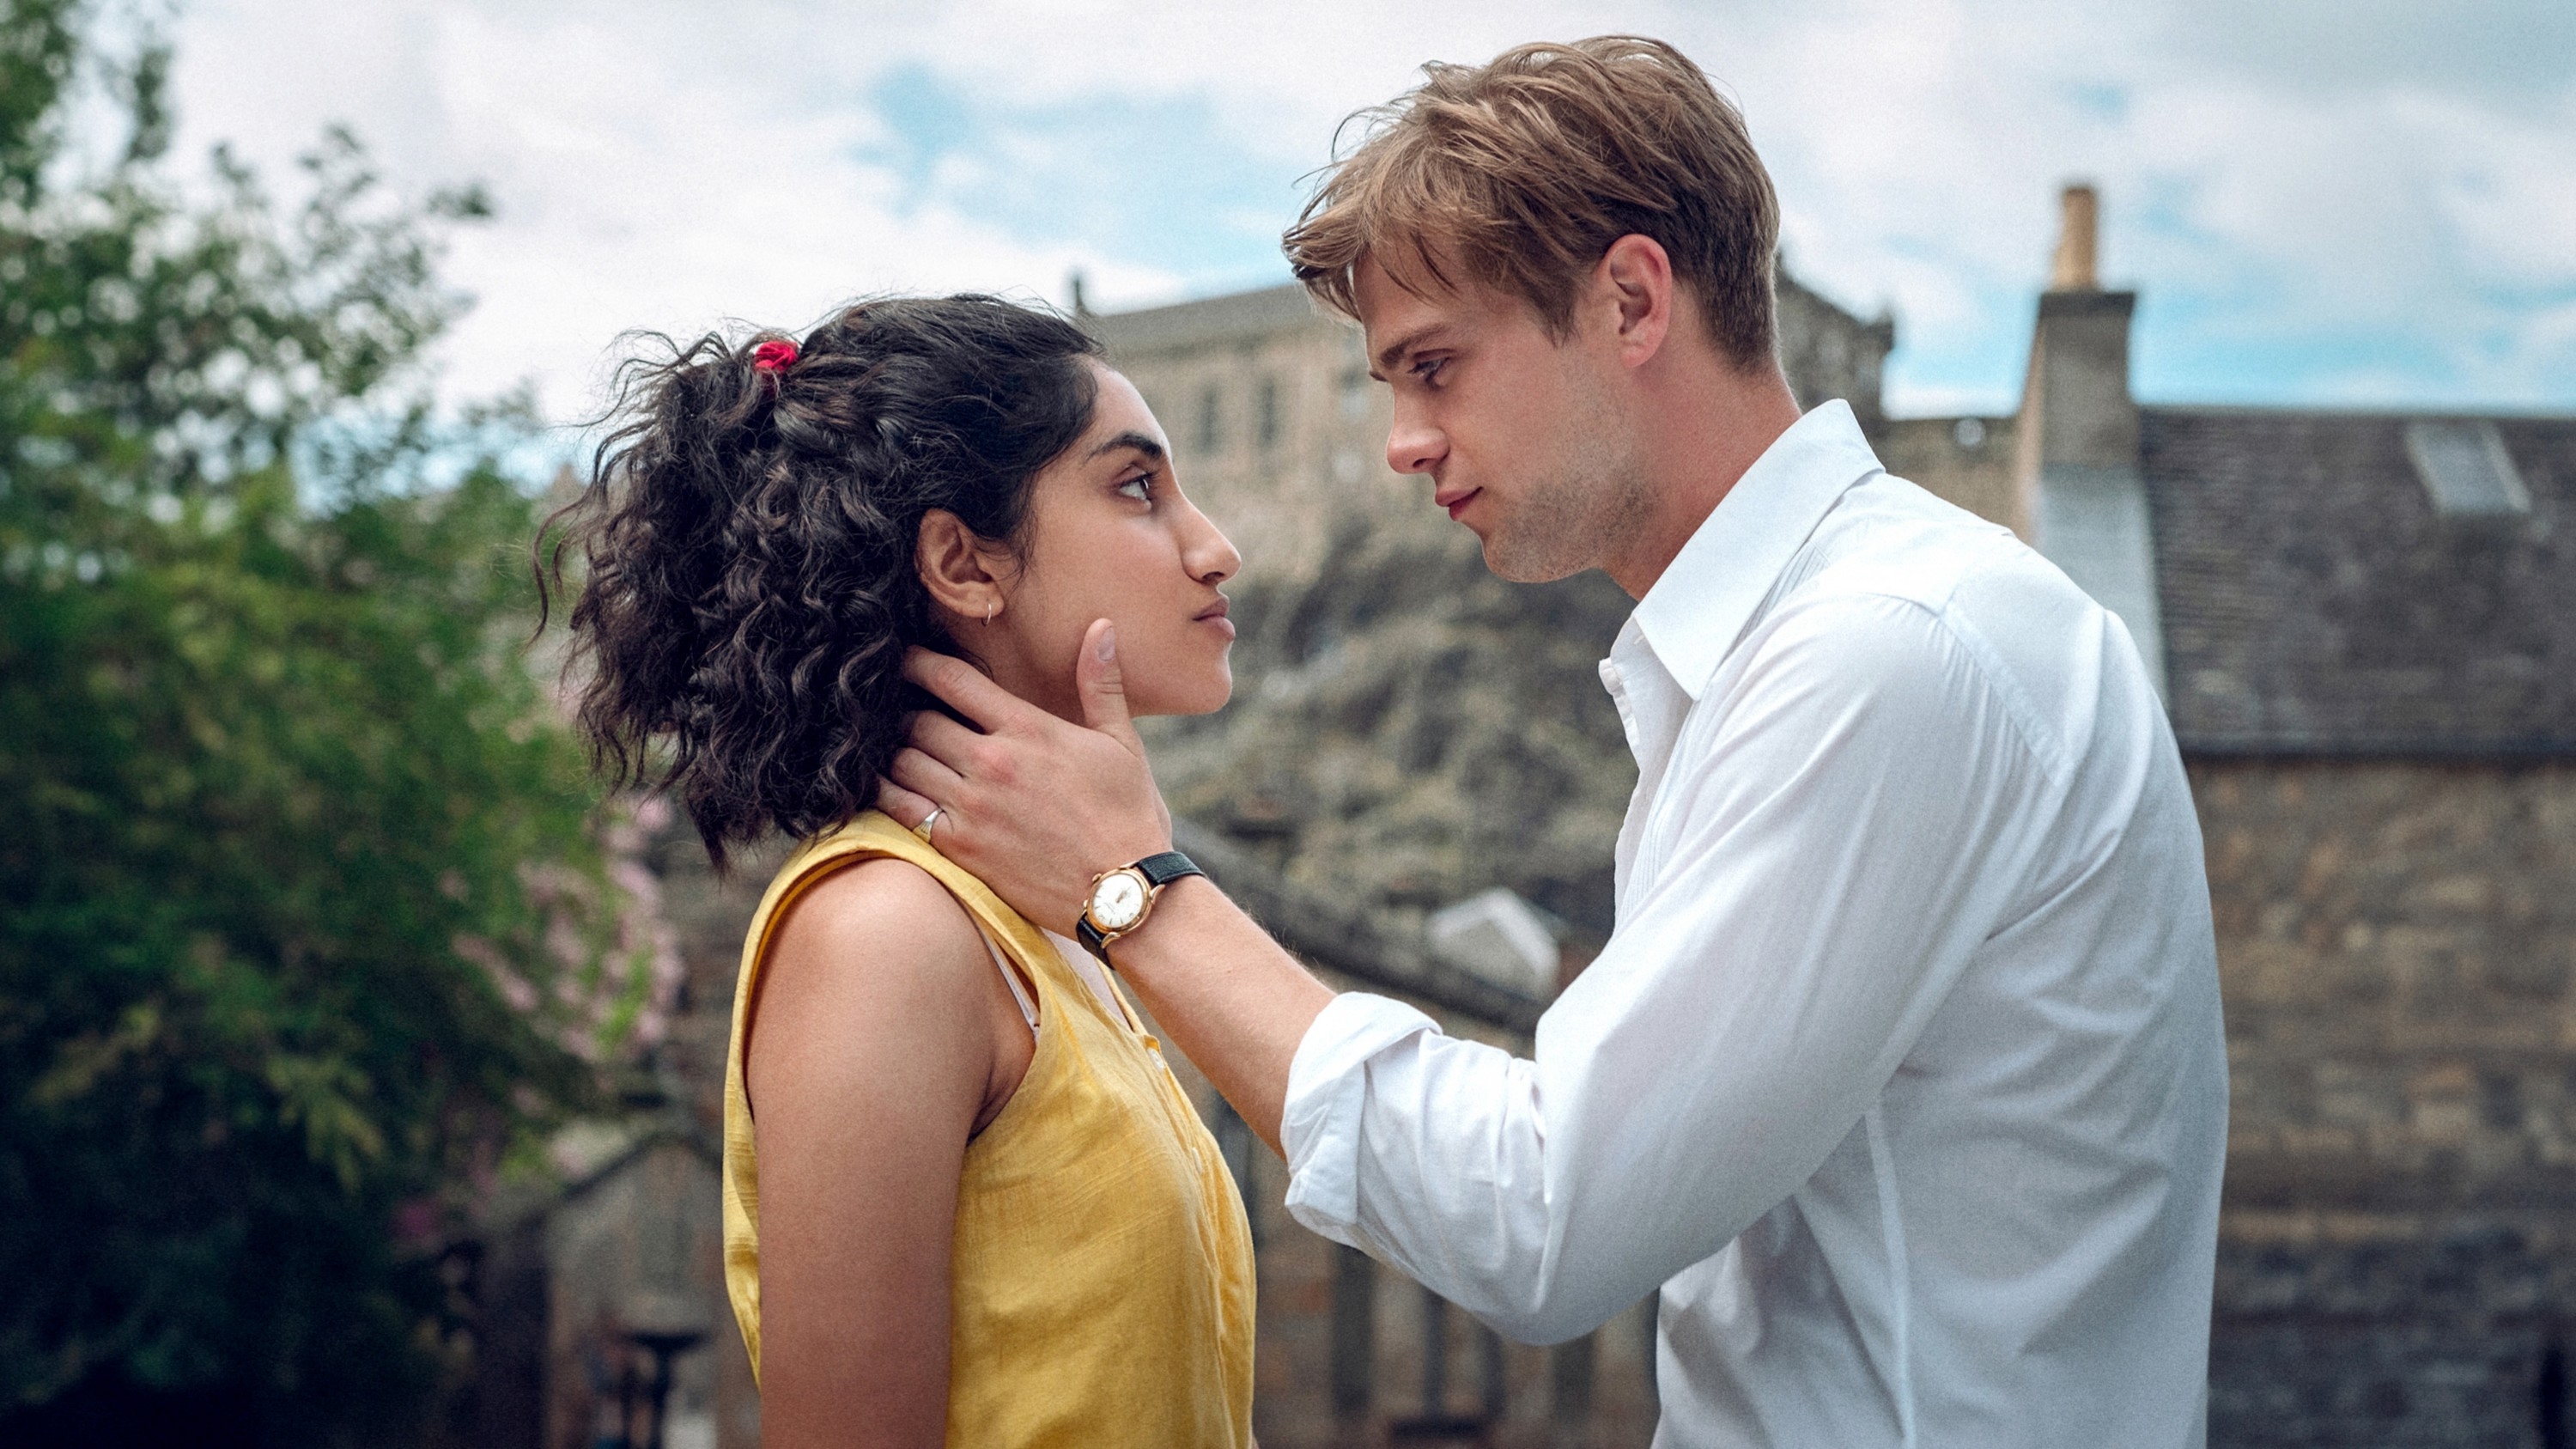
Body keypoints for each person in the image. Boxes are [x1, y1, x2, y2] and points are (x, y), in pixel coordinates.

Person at [877, 38, 2229, 1448]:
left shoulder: (1887, 656)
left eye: (1436, 368)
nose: (1402, 440)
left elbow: (1546, 1219)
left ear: (1633, 302)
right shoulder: (1837, 640)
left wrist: (1133, 885)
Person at [542, 296, 1256, 1447]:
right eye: (1137, 487)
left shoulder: (1046, 935)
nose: (1215, 545)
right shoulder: (884, 935)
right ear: (965, 563)